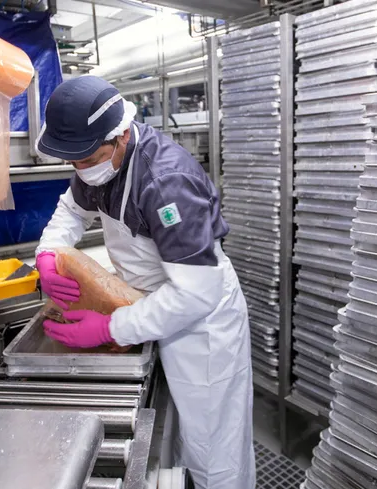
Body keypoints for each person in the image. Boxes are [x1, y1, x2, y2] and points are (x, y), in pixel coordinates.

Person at [33, 76, 256, 489]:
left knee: (211, 450)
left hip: (201, 325)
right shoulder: (99, 163)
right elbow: (72, 211)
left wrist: (109, 326)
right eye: (74, 162)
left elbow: (196, 293)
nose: (81, 170)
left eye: (88, 159)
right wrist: (47, 253)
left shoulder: (166, 182)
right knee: (169, 433)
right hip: (149, 305)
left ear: (120, 136)